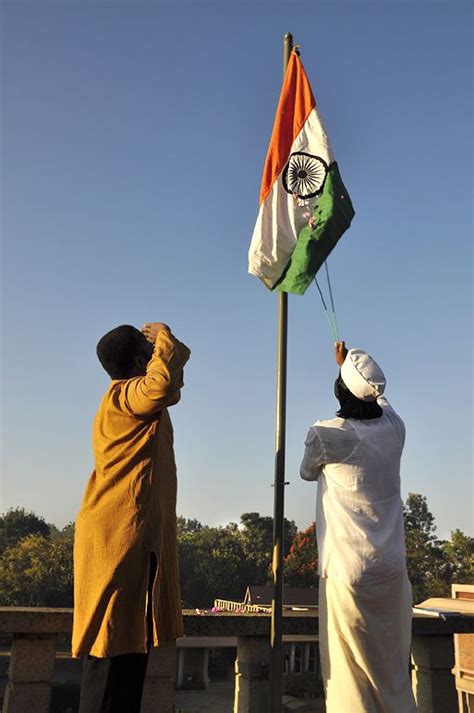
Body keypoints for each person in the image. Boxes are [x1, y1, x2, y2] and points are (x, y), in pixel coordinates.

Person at [72, 322, 190, 713]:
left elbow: (170, 379)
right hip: (116, 536)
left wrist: (166, 347)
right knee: (110, 648)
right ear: (140, 361)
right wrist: (166, 336)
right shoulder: (126, 396)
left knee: (129, 644)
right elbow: (160, 384)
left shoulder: (135, 398)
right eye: (149, 350)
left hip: (128, 537)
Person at [300, 341, 417, 713]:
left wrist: (343, 366)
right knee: (392, 675)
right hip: (392, 571)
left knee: (351, 682)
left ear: (339, 389)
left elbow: (306, 472)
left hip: (348, 572)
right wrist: (347, 367)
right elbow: (381, 401)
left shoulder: (327, 434)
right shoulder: (394, 429)